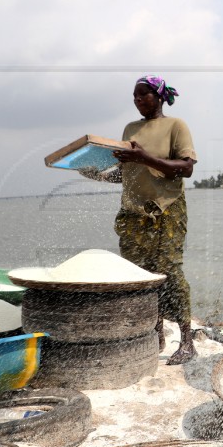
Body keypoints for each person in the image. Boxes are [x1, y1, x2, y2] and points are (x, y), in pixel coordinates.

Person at [82, 75, 198, 365]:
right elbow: (127, 174)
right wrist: (96, 174)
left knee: (169, 270)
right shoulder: (130, 129)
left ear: (159, 96)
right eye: (134, 96)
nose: (137, 100)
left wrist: (145, 157)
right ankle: (153, 334)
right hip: (133, 212)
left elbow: (185, 169)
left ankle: (186, 340)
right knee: (141, 275)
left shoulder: (176, 126)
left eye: (143, 95)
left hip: (166, 209)